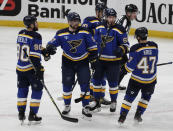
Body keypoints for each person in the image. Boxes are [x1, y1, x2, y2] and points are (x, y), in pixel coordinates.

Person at [43, 12, 98, 118]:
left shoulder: (85, 32)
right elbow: (51, 43)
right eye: (73, 21)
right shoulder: (61, 33)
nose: (75, 23)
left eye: (77, 21)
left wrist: (94, 60)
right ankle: (67, 105)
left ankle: (85, 106)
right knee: (67, 84)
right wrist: (50, 48)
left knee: (85, 85)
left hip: (83, 61)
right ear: (68, 22)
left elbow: (93, 47)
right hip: (68, 62)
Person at [90, 8, 129, 112]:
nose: (111, 19)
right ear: (106, 17)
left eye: (113, 17)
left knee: (113, 83)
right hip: (101, 60)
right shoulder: (99, 27)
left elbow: (126, 44)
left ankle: (113, 101)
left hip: (114, 62)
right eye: (109, 17)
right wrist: (93, 58)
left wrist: (121, 49)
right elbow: (94, 43)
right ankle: (96, 100)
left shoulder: (120, 29)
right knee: (96, 81)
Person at [118, 27, 158, 124]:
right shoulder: (154, 46)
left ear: (138, 37)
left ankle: (122, 117)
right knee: (145, 98)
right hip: (151, 80)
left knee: (128, 99)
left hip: (137, 80)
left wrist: (124, 69)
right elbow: (154, 61)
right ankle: (138, 115)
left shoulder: (135, 48)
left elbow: (130, 67)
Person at [16, 15, 44, 124]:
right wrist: (39, 69)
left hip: (20, 68)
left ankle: (21, 113)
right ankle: (33, 114)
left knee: (22, 89)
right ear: (32, 24)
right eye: (36, 22)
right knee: (37, 89)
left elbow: (28, 47)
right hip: (30, 69)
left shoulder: (20, 33)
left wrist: (43, 49)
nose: (37, 24)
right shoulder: (36, 36)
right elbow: (34, 56)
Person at [82, 3, 111, 105]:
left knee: (102, 76)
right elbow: (83, 32)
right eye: (102, 12)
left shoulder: (106, 23)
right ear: (97, 11)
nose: (103, 14)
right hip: (91, 51)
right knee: (94, 74)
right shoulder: (89, 20)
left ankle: (101, 97)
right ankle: (91, 95)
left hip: (103, 52)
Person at [116, 4, 138, 90]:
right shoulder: (124, 21)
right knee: (125, 65)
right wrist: (123, 47)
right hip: (117, 46)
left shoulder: (125, 19)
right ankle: (115, 84)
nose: (135, 15)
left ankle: (115, 83)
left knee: (123, 65)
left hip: (119, 45)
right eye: (134, 13)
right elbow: (119, 35)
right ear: (128, 13)